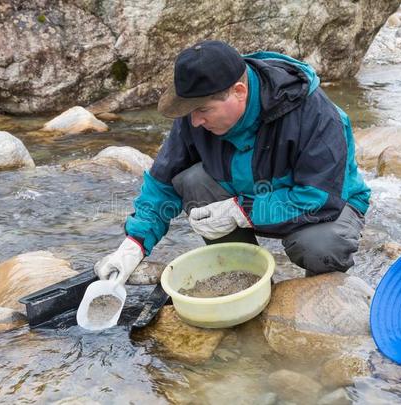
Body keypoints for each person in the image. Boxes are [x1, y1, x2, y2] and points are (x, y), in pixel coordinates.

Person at [94, 40, 371, 283]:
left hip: (325, 206)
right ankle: (243, 278)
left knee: (321, 247)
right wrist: (134, 245)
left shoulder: (316, 114)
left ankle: (320, 287)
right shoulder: (195, 115)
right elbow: (162, 183)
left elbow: (319, 198)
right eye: (190, 111)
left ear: (239, 91)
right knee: (191, 180)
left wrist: (241, 211)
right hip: (250, 200)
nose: (195, 121)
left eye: (204, 110)